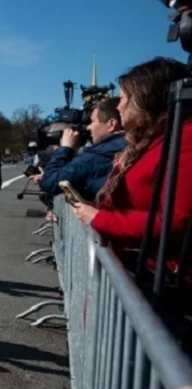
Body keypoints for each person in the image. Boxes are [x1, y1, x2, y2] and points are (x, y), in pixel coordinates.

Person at [71, 57, 192, 288]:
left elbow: (176, 222)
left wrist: (101, 219)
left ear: (144, 100)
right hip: (144, 271)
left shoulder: (185, 138)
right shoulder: (151, 140)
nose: (118, 106)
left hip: (164, 283)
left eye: (124, 98)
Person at [38, 97, 125, 202]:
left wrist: (65, 148)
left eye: (92, 121)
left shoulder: (98, 154)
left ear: (111, 125)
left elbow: (50, 182)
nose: (88, 127)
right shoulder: (133, 146)